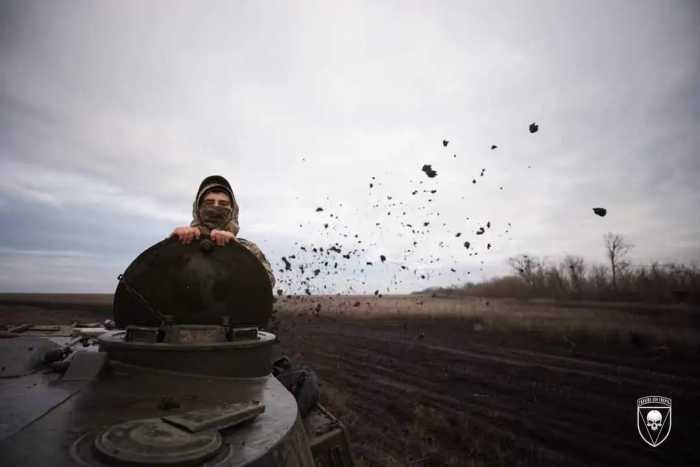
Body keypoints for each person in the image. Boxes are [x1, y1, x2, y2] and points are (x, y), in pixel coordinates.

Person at [170, 175, 276, 289]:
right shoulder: (184, 242)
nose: (215, 207)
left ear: (233, 211)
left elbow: (267, 284)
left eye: (223, 204)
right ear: (198, 209)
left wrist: (236, 250)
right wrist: (173, 246)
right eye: (209, 203)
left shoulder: (249, 248)